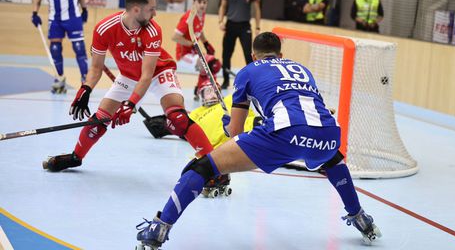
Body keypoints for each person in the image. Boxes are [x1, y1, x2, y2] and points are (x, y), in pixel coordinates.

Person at [135, 32, 382, 248]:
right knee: (334, 162)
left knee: (201, 167)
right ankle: (361, 218)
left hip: (284, 135)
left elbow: (235, 131)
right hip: (329, 135)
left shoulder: (248, 72)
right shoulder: (302, 69)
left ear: (254, 56)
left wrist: (226, 125)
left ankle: (159, 228)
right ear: (281, 53)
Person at [42, 0, 216, 173]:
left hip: (159, 72)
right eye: (151, 9)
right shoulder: (104, 28)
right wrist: (85, 89)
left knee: (178, 118)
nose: (155, 14)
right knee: (99, 120)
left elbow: (147, 75)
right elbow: (96, 68)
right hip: (128, 76)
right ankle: (76, 157)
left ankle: (215, 167)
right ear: (135, 10)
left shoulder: (153, 30)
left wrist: (130, 104)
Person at [31, 0, 88, 94]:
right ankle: (59, 79)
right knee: (55, 50)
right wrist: (34, 13)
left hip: (73, 17)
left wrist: (85, 9)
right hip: (55, 19)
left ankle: (86, 80)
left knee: (79, 49)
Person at [218, 0, 261, 89]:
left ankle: (252, 81)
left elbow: (257, 9)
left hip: (244, 26)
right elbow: (223, 6)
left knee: (248, 54)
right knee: (226, 54)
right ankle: (226, 81)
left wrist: (257, 27)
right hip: (230, 25)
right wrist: (220, 21)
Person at [171, 0, 216, 97]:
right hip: (184, 55)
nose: (202, 5)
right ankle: (202, 89)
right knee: (207, 63)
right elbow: (175, 37)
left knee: (212, 63)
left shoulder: (202, 15)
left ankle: (200, 89)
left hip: (193, 53)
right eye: (199, 2)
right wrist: (191, 44)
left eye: (204, 2)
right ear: (194, 2)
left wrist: (205, 43)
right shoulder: (188, 18)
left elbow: (199, 30)